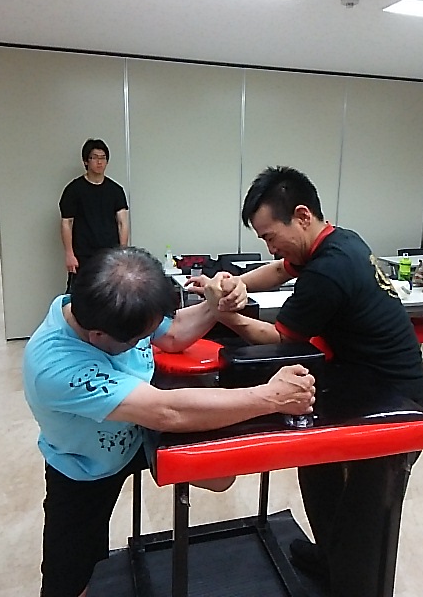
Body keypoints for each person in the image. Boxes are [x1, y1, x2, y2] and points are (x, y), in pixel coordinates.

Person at [190, 166, 423, 597]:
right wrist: (232, 284)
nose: (269, 246)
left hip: (395, 399)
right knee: (317, 468)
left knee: (364, 518)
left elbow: (280, 338)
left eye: (270, 236)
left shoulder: (329, 269)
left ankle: (353, 583)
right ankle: (329, 558)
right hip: (354, 382)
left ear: (302, 216)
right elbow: (278, 270)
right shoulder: (335, 240)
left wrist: (221, 312)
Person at [23, 245, 315, 597]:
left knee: (220, 474)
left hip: (137, 432)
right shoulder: (55, 367)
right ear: (98, 337)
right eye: (138, 341)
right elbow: (166, 410)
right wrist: (270, 397)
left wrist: (215, 303)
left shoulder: (111, 306)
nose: (146, 342)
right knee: (69, 581)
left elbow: (173, 333)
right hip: (85, 465)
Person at [59, 138, 129, 292]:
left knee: (110, 294)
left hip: (110, 254)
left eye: (103, 158)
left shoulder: (116, 190)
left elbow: (123, 222)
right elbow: (66, 223)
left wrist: (122, 252)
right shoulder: (73, 190)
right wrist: (69, 254)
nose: (99, 162)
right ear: (86, 161)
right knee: (79, 294)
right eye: (95, 157)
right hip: (82, 254)